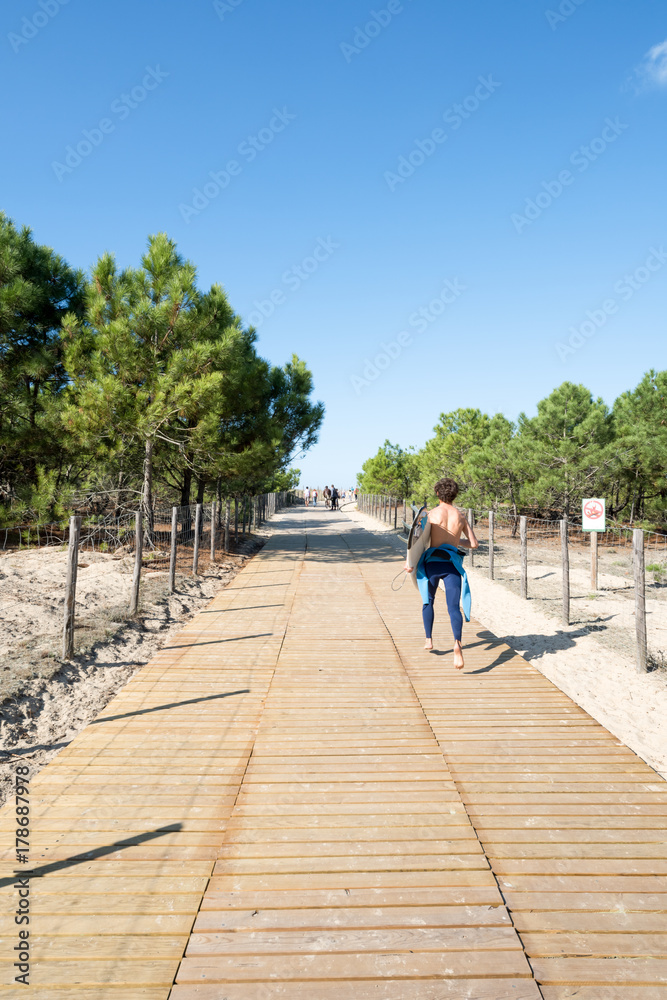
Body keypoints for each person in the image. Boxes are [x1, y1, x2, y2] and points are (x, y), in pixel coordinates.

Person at [406, 478, 478, 669]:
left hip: (432, 565)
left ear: (437, 493)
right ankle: (457, 644)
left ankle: (429, 639)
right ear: (455, 495)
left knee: (428, 600)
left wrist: (410, 563)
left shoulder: (430, 515)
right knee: (454, 607)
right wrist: (455, 543)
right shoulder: (460, 516)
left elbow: (417, 542)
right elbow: (474, 544)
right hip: (452, 565)